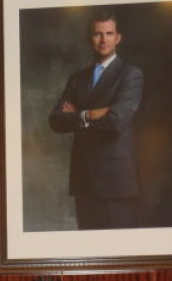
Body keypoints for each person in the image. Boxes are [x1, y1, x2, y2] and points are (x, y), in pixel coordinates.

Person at [47, 10, 144, 230]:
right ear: (90, 38)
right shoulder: (77, 78)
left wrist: (76, 116)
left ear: (118, 37)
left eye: (109, 33)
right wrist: (89, 114)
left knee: (118, 250)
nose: (103, 40)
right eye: (97, 34)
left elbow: (116, 121)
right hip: (84, 178)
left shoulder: (130, 74)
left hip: (116, 180)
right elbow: (55, 120)